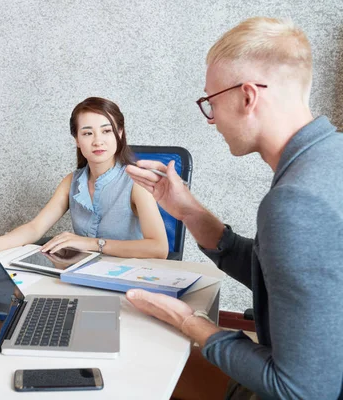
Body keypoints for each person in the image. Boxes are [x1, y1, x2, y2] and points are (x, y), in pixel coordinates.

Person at [125, 17, 343, 399]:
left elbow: (302, 390)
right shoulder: (330, 156)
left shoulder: (295, 202)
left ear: (247, 97)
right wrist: (190, 211)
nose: (211, 120)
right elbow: (277, 276)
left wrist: (189, 322)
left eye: (211, 102)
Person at [0, 97, 168, 259]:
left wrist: (92, 244)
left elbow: (159, 248)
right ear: (77, 140)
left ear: (119, 133)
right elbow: (35, 228)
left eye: (106, 131)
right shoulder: (72, 181)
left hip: (129, 276)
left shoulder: (136, 182)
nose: (98, 141)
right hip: (83, 272)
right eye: (87, 133)